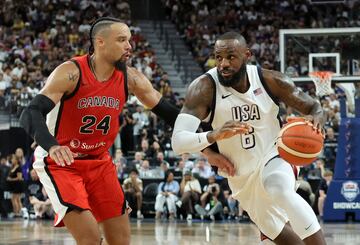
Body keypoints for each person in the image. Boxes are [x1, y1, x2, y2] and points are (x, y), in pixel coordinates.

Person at [19, 17, 232, 245]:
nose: (129, 46)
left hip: (99, 162)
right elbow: (30, 113)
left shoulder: (131, 78)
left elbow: (173, 116)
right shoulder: (71, 73)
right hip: (62, 163)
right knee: (90, 238)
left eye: (129, 40)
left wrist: (208, 149)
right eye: (122, 40)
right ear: (99, 42)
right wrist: (52, 145)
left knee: (121, 240)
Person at [172, 32, 326, 244]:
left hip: (274, 154)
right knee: (273, 229)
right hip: (240, 175)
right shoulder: (203, 88)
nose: (223, 63)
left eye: (231, 57)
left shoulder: (271, 80)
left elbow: (314, 107)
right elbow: (178, 142)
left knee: (277, 186)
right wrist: (212, 135)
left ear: (247, 56)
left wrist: (317, 118)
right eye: (218, 57)